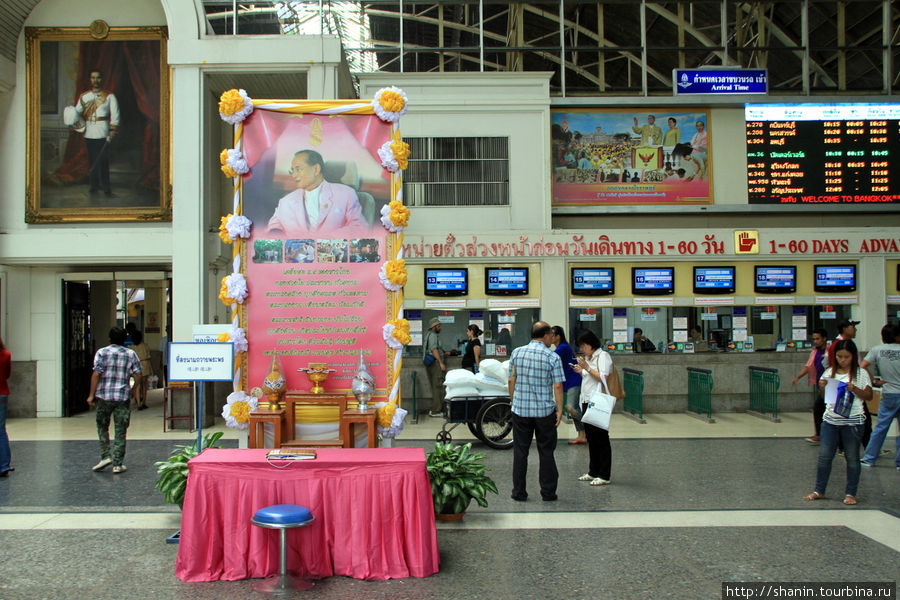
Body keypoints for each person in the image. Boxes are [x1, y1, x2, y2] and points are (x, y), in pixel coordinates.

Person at [803, 339, 872, 506]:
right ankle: (819, 489)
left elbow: (868, 396)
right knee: (825, 457)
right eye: (839, 356)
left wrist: (854, 389)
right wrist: (822, 387)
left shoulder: (861, 373)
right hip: (830, 421)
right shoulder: (829, 372)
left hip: (853, 422)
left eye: (846, 357)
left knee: (852, 458)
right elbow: (824, 398)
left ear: (853, 356)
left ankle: (851, 493)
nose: (843, 360)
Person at [507, 322, 565, 502]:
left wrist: (513, 400)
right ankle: (548, 493)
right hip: (544, 413)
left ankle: (519, 492)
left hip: (521, 410)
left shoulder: (517, 353)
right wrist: (560, 409)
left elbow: (511, 379)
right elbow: (557, 385)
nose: (552, 339)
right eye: (551, 335)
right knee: (546, 452)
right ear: (546, 335)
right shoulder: (552, 357)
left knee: (520, 452)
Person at [267, 149, 367, 236]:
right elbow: (273, 227)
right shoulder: (285, 201)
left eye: (298, 169)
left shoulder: (346, 194)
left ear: (316, 169)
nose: (294, 175)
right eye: (292, 170)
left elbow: (359, 227)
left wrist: (326, 240)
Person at [86, 326, 142, 474]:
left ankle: (105, 456)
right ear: (124, 339)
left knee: (102, 426)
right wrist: (133, 389)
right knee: (121, 429)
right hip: (122, 396)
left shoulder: (102, 353)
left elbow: (96, 374)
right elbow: (138, 374)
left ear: (109, 338)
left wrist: (91, 395)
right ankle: (118, 463)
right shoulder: (130, 354)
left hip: (104, 396)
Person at [572, 330, 623, 486]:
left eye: (583, 345)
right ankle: (593, 471)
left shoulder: (603, 356)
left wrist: (587, 368)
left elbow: (603, 377)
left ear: (590, 344)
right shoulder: (589, 358)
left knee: (601, 437)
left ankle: (604, 474)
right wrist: (582, 371)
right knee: (591, 438)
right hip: (587, 399)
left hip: (599, 401)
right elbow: (590, 377)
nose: (582, 349)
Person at [72, 70, 120, 196]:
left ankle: (106, 188)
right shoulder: (84, 96)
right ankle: (94, 186)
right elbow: (76, 113)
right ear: (90, 80)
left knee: (104, 161)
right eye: (93, 78)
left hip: (103, 132)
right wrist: (71, 118)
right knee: (92, 160)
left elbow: (115, 115)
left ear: (102, 79)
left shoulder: (109, 96)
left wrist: (112, 131)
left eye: (98, 78)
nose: (95, 80)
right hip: (89, 132)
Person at [860, 324, 900, 468]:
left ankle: (869, 458)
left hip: (889, 393)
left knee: (881, 428)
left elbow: (862, 366)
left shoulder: (877, 350)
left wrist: (874, 381)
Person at [791, 329, 828, 444]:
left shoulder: (830, 351)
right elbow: (808, 366)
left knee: (820, 409)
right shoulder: (815, 352)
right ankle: (821, 434)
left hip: (829, 384)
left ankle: (822, 434)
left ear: (824, 338)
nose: (815, 341)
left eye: (818, 339)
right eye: (814, 339)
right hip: (820, 383)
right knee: (820, 409)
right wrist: (798, 377)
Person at [551, 326, 584, 445]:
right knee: (574, 408)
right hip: (569, 381)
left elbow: (550, 357)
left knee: (571, 407)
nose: (551, 336)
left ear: (558, 336)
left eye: (552, 334)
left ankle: (586, 431)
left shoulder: (563, 347)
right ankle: (582, 435)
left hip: (573, 380)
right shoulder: (562, 347)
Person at [423, 317, 447, 417]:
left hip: (432, 362)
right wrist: (441, 362)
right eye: (439, 326)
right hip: (435, 363)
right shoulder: (433, 335)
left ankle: (436, 409)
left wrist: (445, 352)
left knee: (436, 386)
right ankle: (436, 411)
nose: (440, 327)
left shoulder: (429, 334)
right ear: (434, 327)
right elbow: (434, 349)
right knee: (438, 386)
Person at [131, 330, 152, 410]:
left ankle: (138, 404)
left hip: (135, 366)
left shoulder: (131, 348)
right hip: (145, 364)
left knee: (137, 385)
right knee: (144, 385)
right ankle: (144, 402)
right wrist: (151, 369)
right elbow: (149, 357)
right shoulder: (145, 346)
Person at [0, 335, 12, 478]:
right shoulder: (6, 354)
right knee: (1, 431)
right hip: (2, 393)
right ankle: (4, 465)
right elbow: (7, 374)